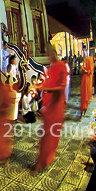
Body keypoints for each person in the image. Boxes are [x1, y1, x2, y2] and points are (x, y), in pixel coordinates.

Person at [30, 44, 68, 173]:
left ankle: (43, 162)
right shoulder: (51, 69)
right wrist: (38, 86)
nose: (49, 56)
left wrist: (45, 88)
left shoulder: (62, 66)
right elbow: (47, 83)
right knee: (46, 136)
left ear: (55, 53)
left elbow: (61, 87)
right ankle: (44, 159)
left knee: (52, 134)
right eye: (47, 54)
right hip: (49, 106)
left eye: (51, 54)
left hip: (56, 106)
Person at [79, 51, 94, 118]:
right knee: (83, 94)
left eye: (85, 54)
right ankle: (82, 109)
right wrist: (81, 68)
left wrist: (86, 71)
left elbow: (90, 71)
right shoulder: (84, 61)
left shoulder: (90, 60)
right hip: (84, 79)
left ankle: (85, 107)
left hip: (87, 80)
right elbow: (81, 72)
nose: (84, 56)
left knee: (86, 93)